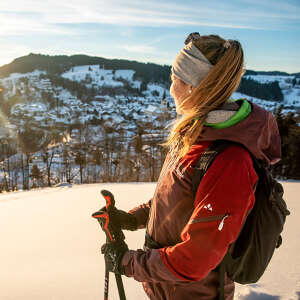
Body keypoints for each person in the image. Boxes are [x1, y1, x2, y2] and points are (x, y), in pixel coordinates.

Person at [101, 33, 281, 299]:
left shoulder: (230, 161)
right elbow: (177, 202)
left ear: (194, 87)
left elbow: (196, 258)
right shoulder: (198, 136)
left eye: (175, 79)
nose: (171, 88)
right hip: (166, 290)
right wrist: (131, 218)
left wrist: (128, 263)